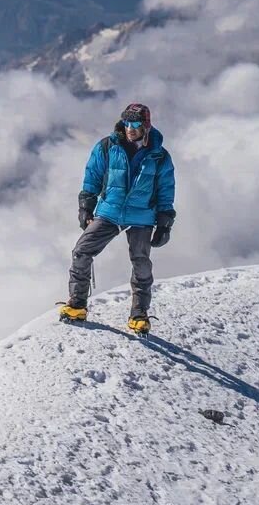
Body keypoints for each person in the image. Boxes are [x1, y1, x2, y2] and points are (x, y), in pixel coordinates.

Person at [59, 103, 176, 333]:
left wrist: (165, 222)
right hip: (110, 211)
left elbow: (166, 189)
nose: (130, 128)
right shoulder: (107, 146)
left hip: (142, 214)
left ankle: (139, 316)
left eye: (136, 124)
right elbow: (92, 176)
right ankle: (77, 304)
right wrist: (86, 206)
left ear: (146, 126)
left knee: (141, 263)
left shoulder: (159, 156)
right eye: (127, 123)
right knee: (82, 251)